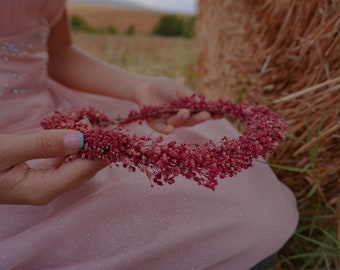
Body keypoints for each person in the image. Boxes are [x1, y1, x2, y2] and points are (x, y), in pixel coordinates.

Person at [0, 1, 299, 269]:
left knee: (228, 175)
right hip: (11, 153)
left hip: (50, 111)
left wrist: (137, 87)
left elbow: (59, 53)